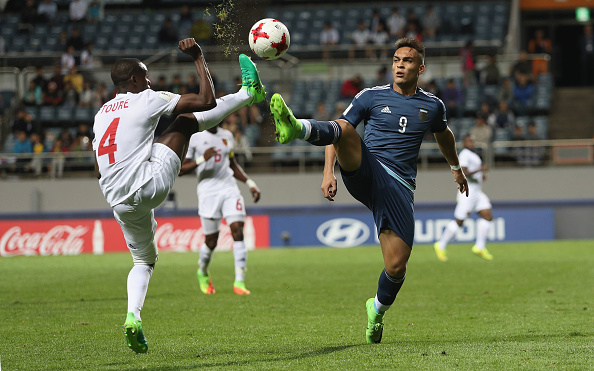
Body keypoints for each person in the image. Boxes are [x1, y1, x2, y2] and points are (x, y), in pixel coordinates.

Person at [269, 37, 468, 344]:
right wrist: (328, 172)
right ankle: (297, 128)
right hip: (367, 168)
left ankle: (376, 310)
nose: (400, 65)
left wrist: (455, 168)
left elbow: (444, 135)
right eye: (397, 60)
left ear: (421, 68)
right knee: (346, 128)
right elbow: (341, 129)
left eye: (408, 61)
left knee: (397, 266)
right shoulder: (370, 97)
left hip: (400, 187)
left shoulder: (432, 105)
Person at [92, 38, 265, 354]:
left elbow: (99, 164)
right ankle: (248, 93)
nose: (150, 81)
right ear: (134, 80)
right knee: (186, 121)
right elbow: (207, 101)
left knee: (143, 261)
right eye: (145, 76)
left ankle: (133, 316)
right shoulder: (145, 98)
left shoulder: (101, 114)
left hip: (117, 200)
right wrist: (199, 57)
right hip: (148, 184)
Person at [179, 119, 261, 295]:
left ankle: (239, 281)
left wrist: (250, 182)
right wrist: (202, 159)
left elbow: (231, 164)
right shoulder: (195, 138)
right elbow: (181, 169)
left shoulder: (227, 136)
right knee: (211, 240)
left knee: (237, 230)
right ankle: (202, 271)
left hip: (229, 188)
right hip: (208, 192)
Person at [434, 135, 493, 262]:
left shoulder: (474, 155)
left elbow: (474, 174)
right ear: (464, 143)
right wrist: (480, 169)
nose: (471, 142)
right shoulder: (465, 154)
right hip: (468, 193)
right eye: (468, 141)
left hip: (478, 192)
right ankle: (441, 244)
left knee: (487, 215)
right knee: (459, 221)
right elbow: (464, 172)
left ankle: (479, 247)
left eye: (472, 140)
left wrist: (481, 176)